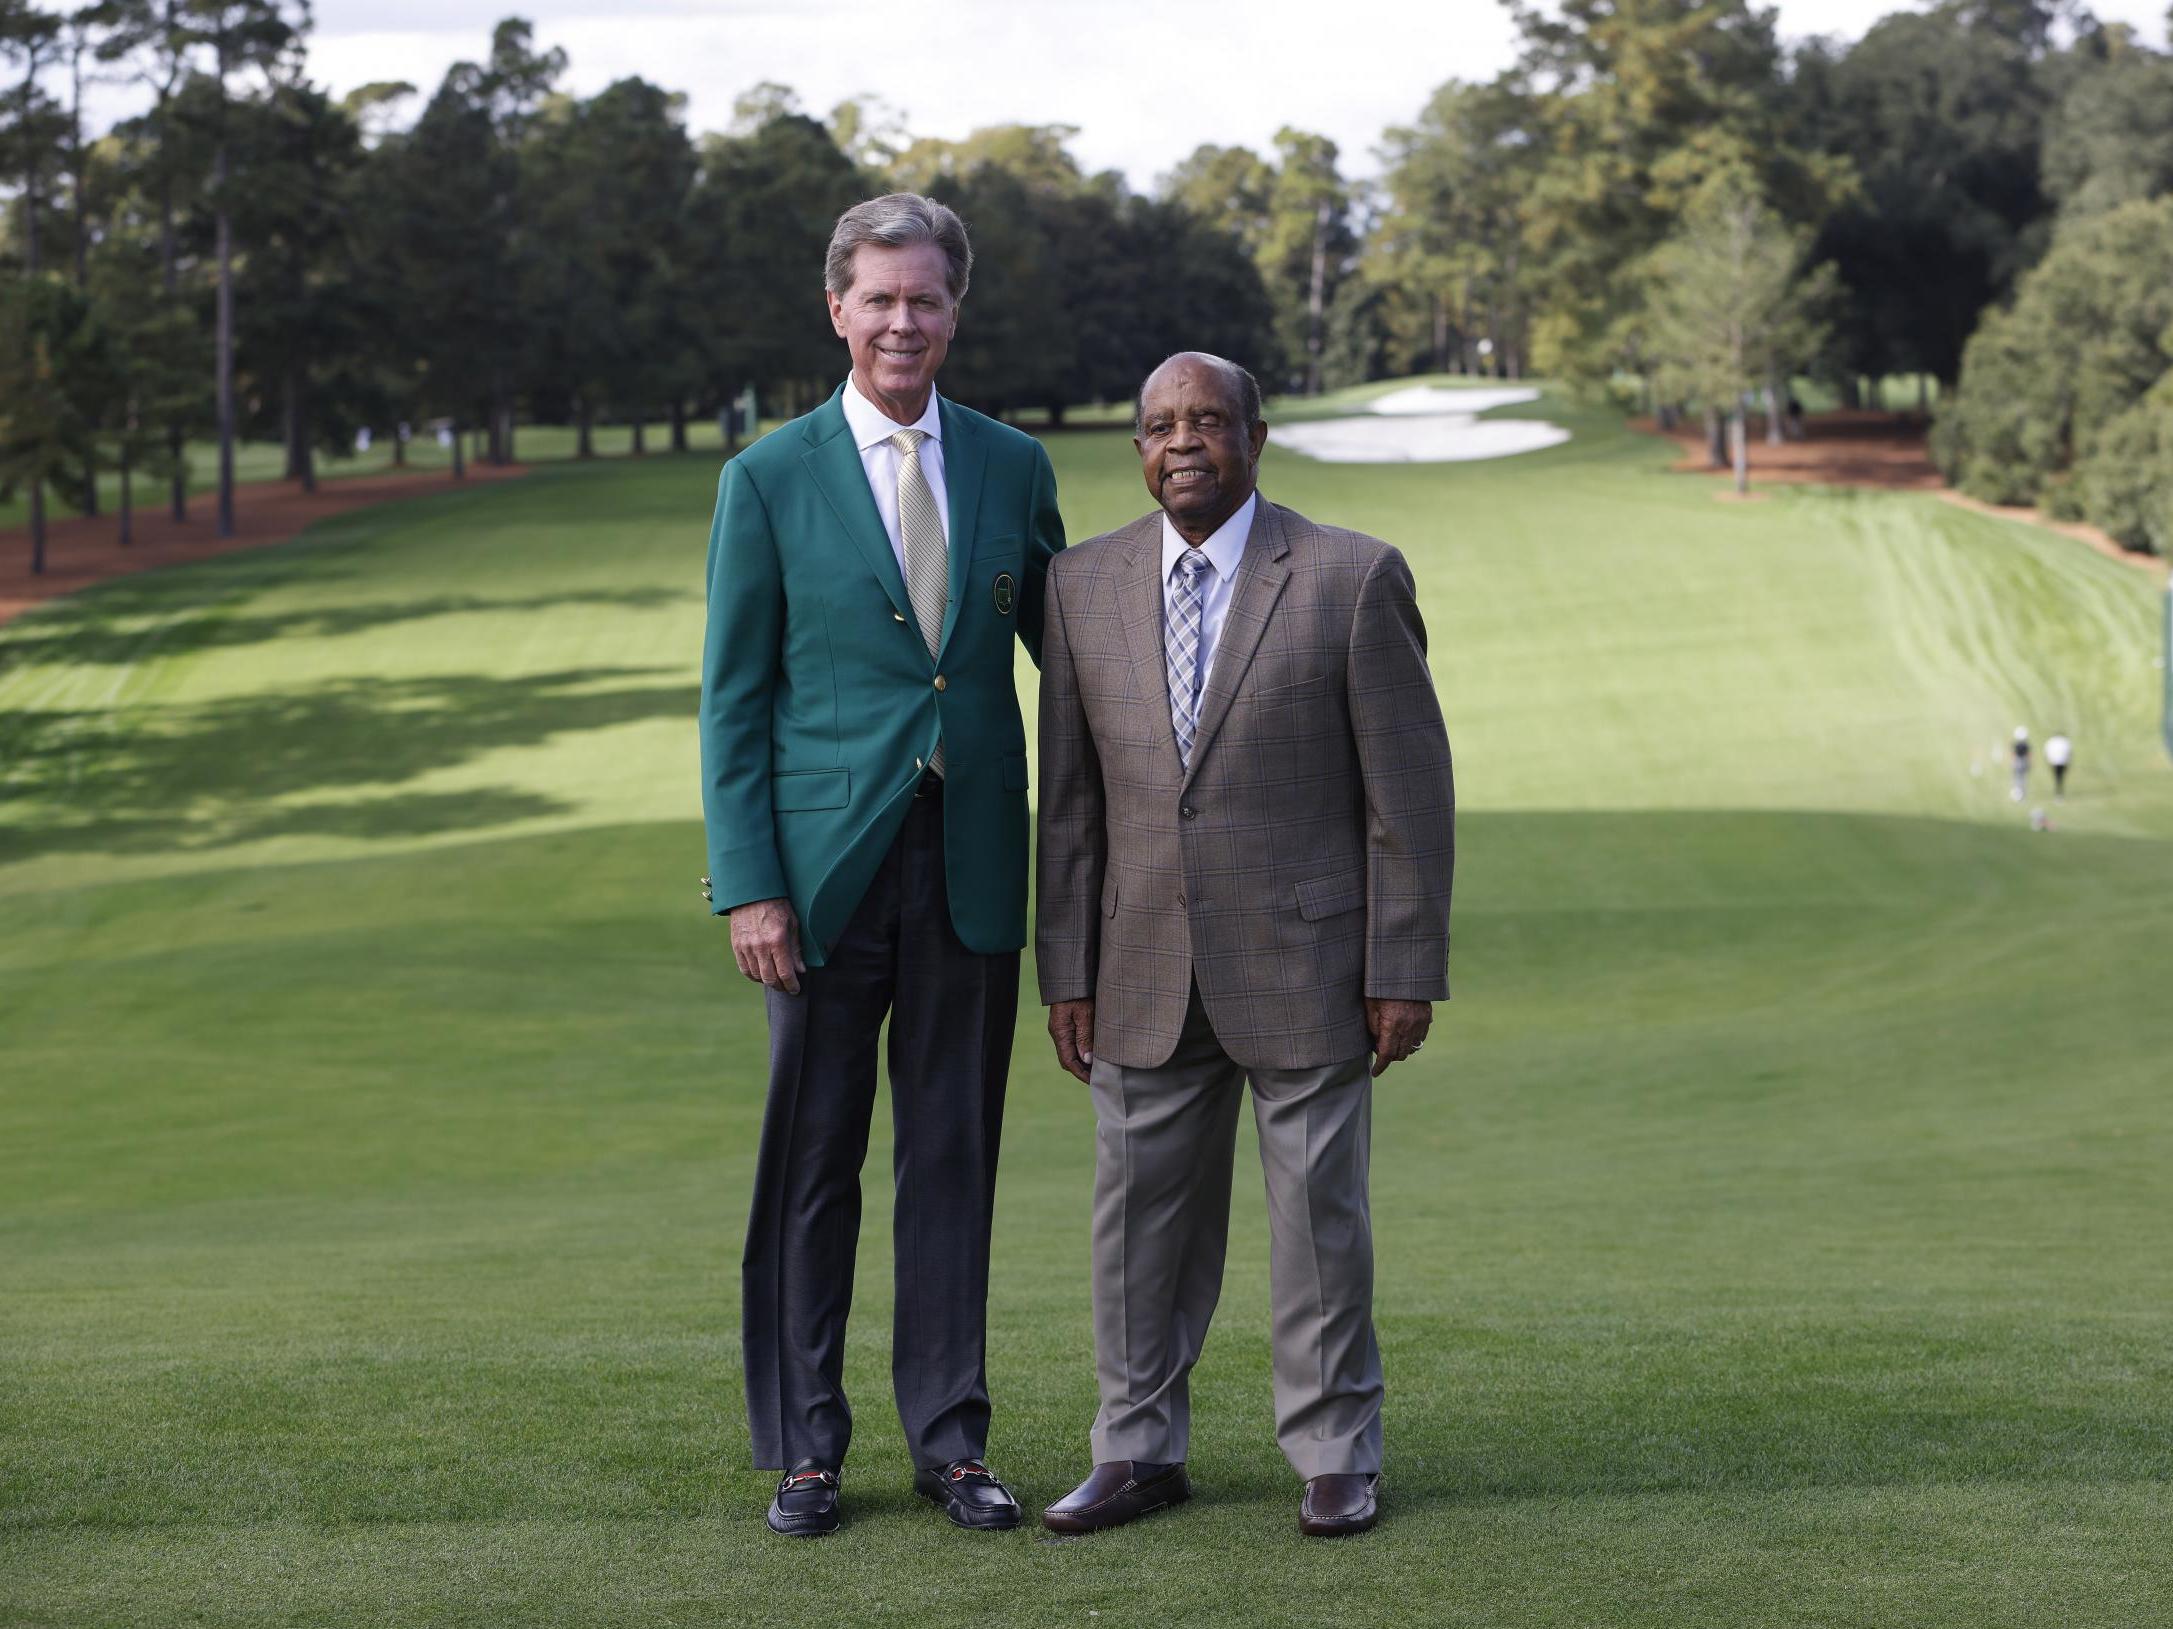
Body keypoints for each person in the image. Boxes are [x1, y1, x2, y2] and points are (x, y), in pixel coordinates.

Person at [1033, 352, 1454, 1539]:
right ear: (1137, 448)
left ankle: (1333, 1455)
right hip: (1139, 969)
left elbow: (1407, 799)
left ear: (1255, 439)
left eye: (1208, 421)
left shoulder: (1350, 577)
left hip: (1310, 968)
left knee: (1319, 1223)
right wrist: (1063, 969)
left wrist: (1404, 968)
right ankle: (1136, 1452)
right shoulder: (1080, 585)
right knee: (1134, 1233)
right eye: (1161, 425)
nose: (1184, 443)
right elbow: (1066, 804)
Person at [698, 192, 1064, 1538]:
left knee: (953, 1159)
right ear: (838, 308)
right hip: (820, 880)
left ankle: (952, 1445)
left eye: (926, 299)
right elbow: (731, 701)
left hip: (968, 866)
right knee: (813, 1164)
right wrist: (748, 881)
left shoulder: (1013, 466)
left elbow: (1071, 663)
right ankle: (806, 1449)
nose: (902, 320)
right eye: (880, 298)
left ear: (954, 312)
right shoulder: (768, 477)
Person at [2046, 731, 2072, 798]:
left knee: (2058, 777)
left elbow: (2048, 751)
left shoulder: (2052, 741)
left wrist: (2049, 760)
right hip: (2062, 761)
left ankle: (2058, 792)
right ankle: (2059, 792)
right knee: (2060, 777)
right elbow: (2069, 752)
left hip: (2055, 761)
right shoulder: (2065, 741)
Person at [2011, 726, 2031, 802]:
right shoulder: (2026, 744)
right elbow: (2029, 754)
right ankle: (2021, 795)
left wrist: (2013, 762)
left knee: (2018, 779)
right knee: (2022, 779)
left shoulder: (2016, 744)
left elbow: (2013, 754)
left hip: (2018, 762)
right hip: (2023, 762)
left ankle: (2018, 794)